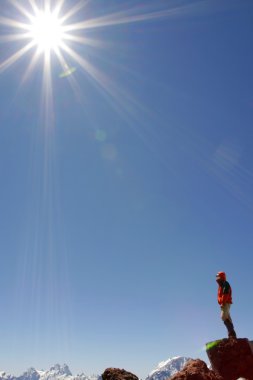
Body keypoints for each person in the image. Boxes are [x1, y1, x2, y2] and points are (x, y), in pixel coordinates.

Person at [216, 271, 237, 338]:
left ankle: (231, 333)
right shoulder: (221, 285)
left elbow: (225, 294)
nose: (217, 278)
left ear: (222, 277)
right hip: (225, 302)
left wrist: (222, 303)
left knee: (223, 316)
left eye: (218, 276)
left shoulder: (225, 284)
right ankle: (232, 334)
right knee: (227, 317)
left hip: (225, 302)